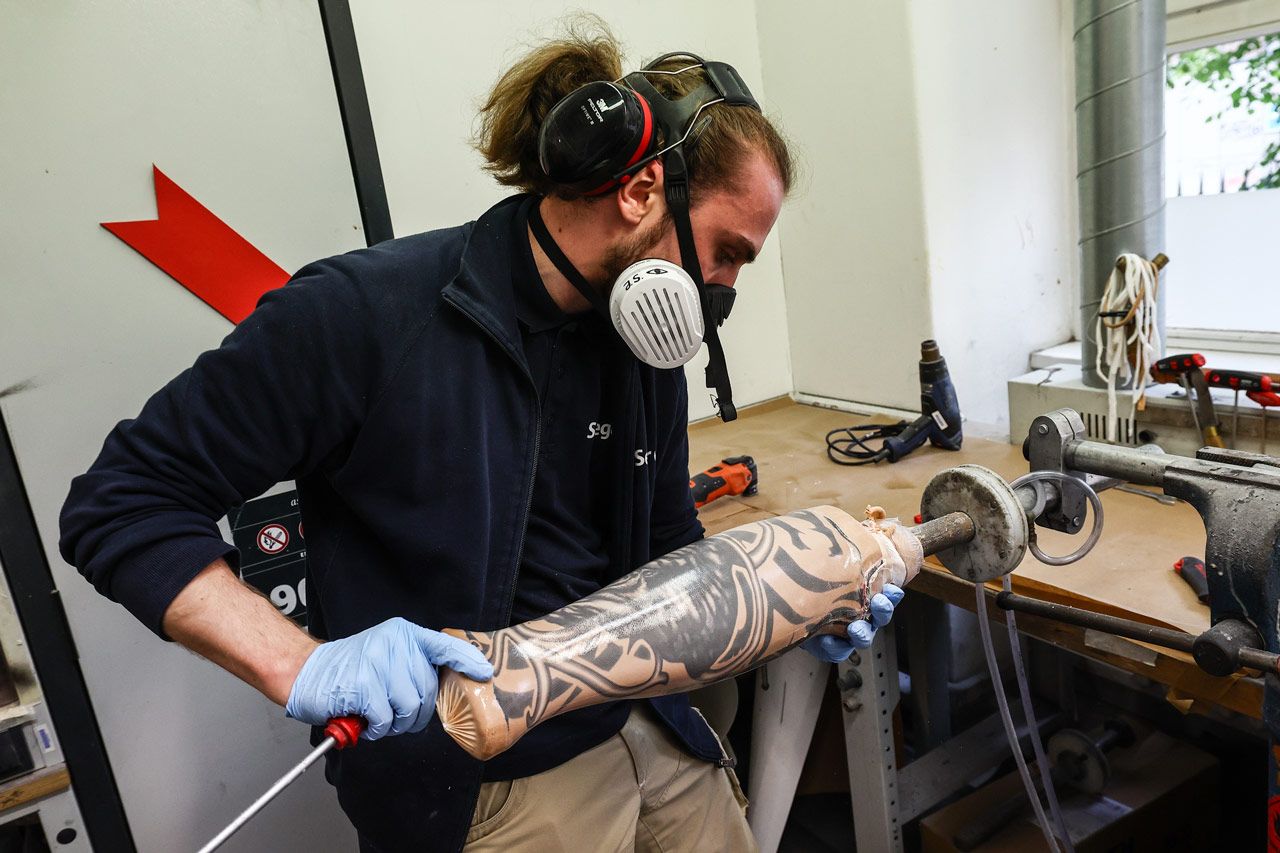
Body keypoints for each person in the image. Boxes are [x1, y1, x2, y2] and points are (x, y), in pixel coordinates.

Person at [59, 20, 901, 853]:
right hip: (484, 775)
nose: (721, 290)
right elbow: (122, 501)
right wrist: (301, 664)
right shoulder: (367, 315)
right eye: (726, 252)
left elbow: (667, 554)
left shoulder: (641, 343)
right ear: (642, 191)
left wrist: (786, 610)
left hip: (649, 724)